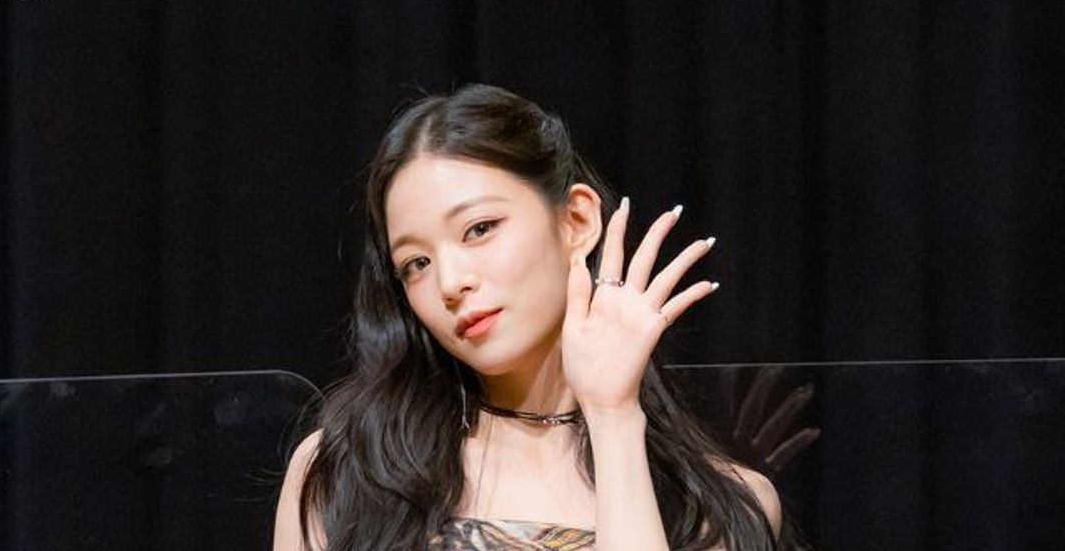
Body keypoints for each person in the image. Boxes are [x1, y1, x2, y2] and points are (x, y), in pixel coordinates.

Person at [274, 83, 781, 550]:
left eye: (480, 229)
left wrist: (613, 419)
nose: (450, 283)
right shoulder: (347, 474)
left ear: (577, 220)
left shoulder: (719, 508)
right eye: (417, 263)